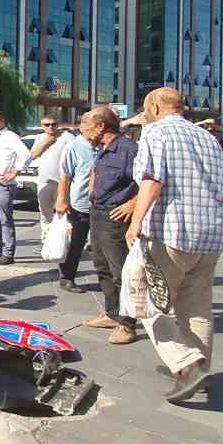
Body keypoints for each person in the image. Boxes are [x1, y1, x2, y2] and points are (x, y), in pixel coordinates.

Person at [126, 88, 223, 403]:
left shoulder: (156, 131)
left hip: (172, 232)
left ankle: (186, 365)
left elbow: (151, 181)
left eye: (146, 108)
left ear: (155, 106)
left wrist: (135, 222)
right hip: (209, 235)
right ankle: (199, 366)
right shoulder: (207, 137)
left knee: (143, 297)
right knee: (197, 307)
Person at [82, 107, 141, 344]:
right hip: (98, 214)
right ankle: (112, 313)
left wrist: (133, 204)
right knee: (102, 266)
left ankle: (128, 324)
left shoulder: (128, 150)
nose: (83, 132)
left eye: (86, 127)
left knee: (121, 271)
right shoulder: (102, 150)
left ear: (101, 126)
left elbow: (150, 181)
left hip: (116, 218)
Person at [53, 112, 97, 295]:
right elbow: (65, 176)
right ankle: (67, 277)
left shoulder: (104, 146)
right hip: (79, 204)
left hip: (100, 204)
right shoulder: (74, 147)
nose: (98, 131)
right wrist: (61, 200)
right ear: (83, 128)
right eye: (94, 127)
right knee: (75, 243)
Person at [0, 110, 30, 265]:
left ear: (2, 120)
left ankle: (8, 253)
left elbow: (26, 155)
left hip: (4, 185)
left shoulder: (10, 137)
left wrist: (15, 171)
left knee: (5, 220)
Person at [29, 115, 74, 243]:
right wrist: (46, 142)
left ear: (58, 124)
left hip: (63, 183)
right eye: (46, 125)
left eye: (53, 124)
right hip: (44, 182)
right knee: (45, 215)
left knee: (65, 214)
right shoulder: (39, 138)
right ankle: (46, 241)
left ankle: (66, 243)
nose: (50, 127)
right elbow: (32, 155)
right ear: (42, 126)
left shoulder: (67, 137)